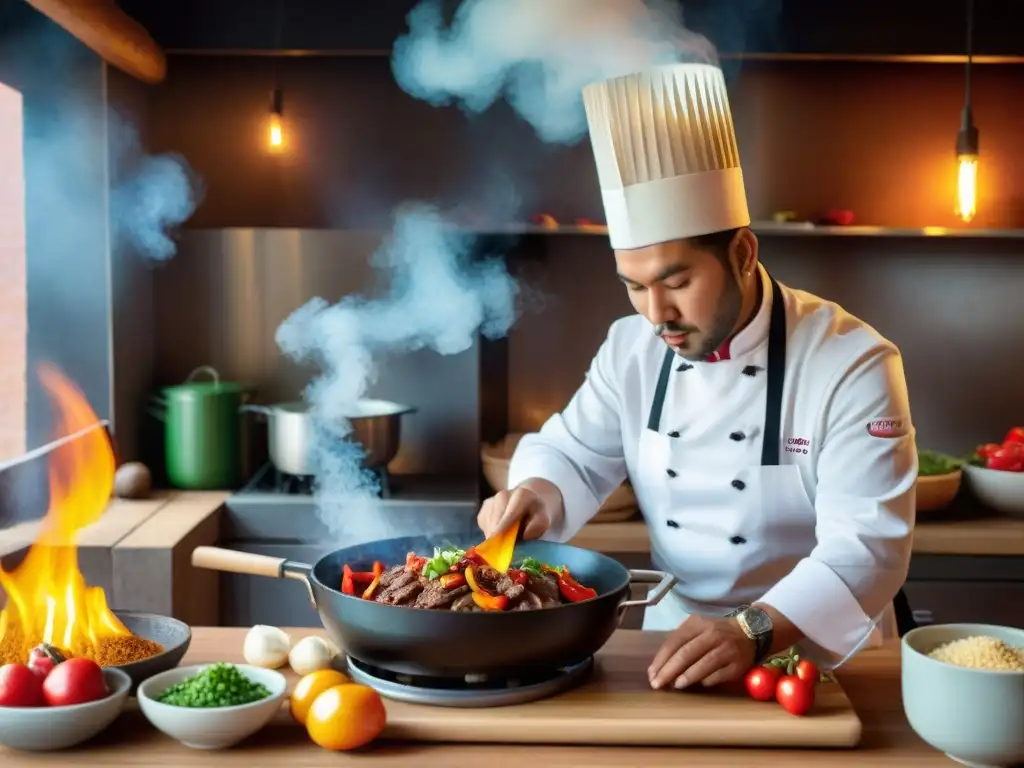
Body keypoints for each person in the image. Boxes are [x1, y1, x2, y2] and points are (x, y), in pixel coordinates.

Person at [477, 63, 917, 691]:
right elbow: (572, 453)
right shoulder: (631, 347)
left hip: (815, 654)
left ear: (742, 253)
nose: (658, 315)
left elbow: (868, 550)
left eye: (677, 282)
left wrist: (752, 630)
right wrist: (533, 499)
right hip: (677, 644)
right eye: (634, 287)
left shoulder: (853, 363)